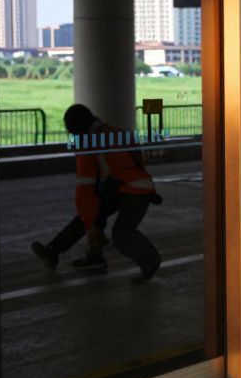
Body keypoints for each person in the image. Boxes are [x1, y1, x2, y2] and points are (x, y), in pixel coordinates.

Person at [31, 104, 163, 283]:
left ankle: (150, 261)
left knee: (120, 232)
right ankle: (90, 254)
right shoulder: (115, 131)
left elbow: (85, 189)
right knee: (95, 212)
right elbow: (136, 159)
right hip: (133, 187)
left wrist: (91, 224)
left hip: (130, 190)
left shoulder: (87, 145)